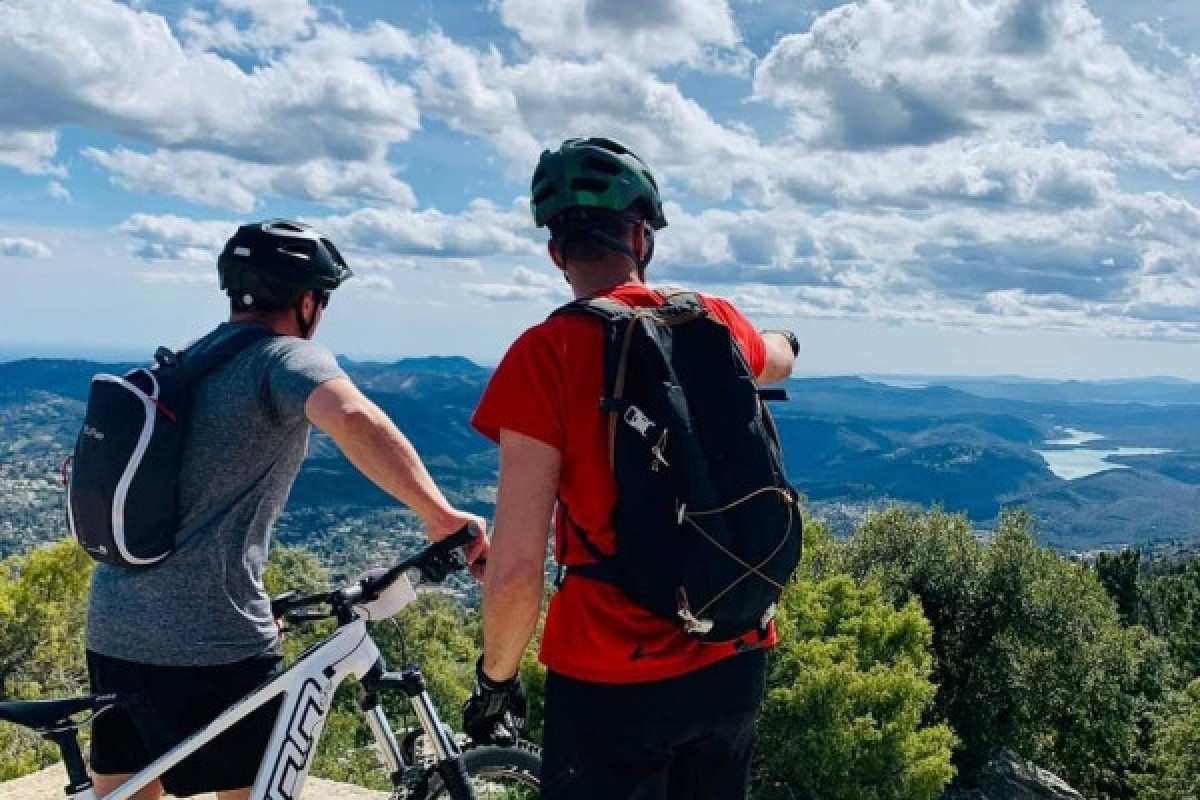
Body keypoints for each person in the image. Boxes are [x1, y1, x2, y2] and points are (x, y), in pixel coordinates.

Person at [85, 219, 487, 800]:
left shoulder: (185, 362)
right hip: (213, 639)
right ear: (307, 302)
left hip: (114, 623)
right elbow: (354, 418)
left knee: (124, 794)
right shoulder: (282, 358)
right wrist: (441, 514)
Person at [463, 138, 798, 799]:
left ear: (557, 251)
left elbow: (519, 562)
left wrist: (497, 681)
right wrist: (784, 341)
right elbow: (776, 358)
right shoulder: (715, 319)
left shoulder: (546, 353)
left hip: (610, 674)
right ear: (641, 236)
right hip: (735, 652)